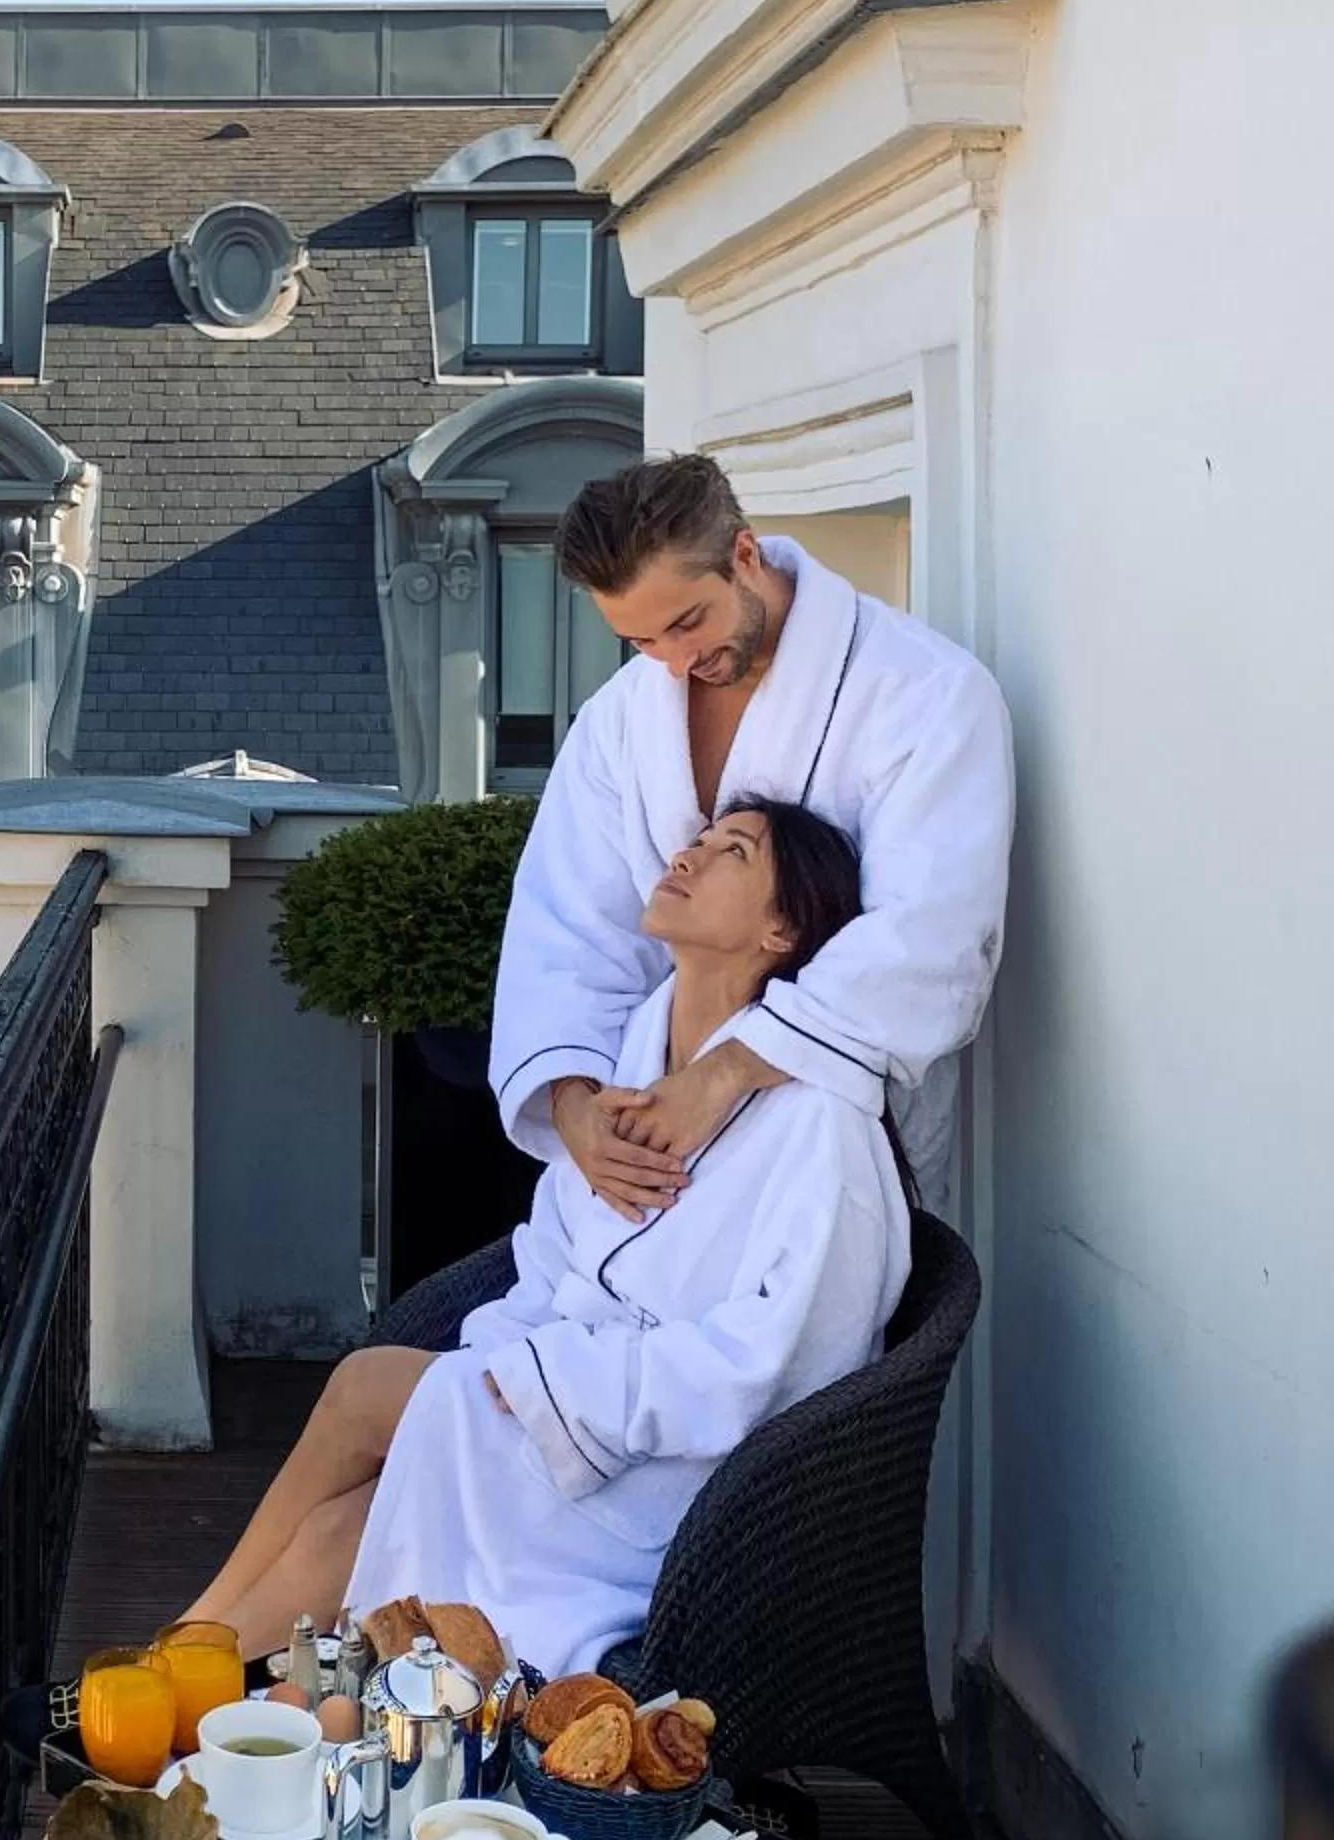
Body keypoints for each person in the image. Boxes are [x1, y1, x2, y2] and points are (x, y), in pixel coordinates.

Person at [185, 800, 913, 1669]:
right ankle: (168, 1677)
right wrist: (517, 1366)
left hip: (677, 1486)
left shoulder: (821, 1127)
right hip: (562, 1420)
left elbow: (784, 1368)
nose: (690, 854)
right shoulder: (642, 1059)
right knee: (341, 1529)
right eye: (699, 836)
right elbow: (555, 1257)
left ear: (783, 925)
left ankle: (159, 1674)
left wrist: (549, 1382)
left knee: (366, 1388)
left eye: (732, 852)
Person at [491, 453, 1012, 1227]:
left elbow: (930, 936)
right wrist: (575, 1103)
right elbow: (568, 923)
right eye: (639, 641)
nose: (674, 663)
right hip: (649, 1151)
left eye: (687, 622)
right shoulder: (621, 718)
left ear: (745, 553)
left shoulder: (926, 694)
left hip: (833, 1144)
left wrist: (724, 1075)